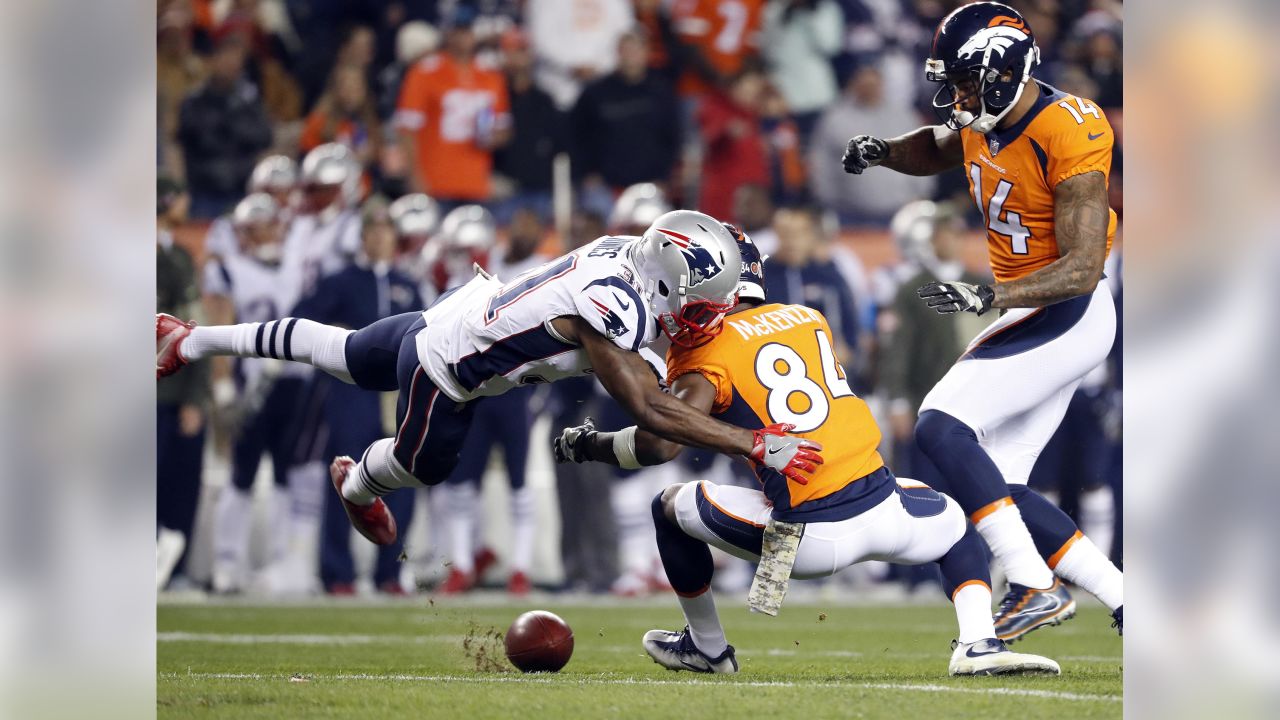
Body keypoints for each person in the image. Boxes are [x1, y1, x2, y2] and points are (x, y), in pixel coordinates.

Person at [157, 210, 822, 553]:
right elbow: (650, 409)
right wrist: (754, 444)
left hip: (457, 309)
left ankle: (190, 339)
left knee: (344, 352)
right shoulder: (616, 305)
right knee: (423, 465)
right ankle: (356, 480)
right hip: (448, 368)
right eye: (707, 299)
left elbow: (703, 268)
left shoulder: (634, 251)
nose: (714, 311)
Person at [552, 231, 1060, 676]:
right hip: (885, 508)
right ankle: (978, 641)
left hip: (804, 539)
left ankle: (707, 649)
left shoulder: (705, 350)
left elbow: (662, 441)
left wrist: (592, 444)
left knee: (668, 504)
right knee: (951, 518)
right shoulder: (807, 317)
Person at [841, 2, 1123, 640]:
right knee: (999, 484)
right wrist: (884, 152)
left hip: (1064, 306)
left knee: (941, 427)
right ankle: (1127, 599)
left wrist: (988, 297)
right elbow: (941, 146)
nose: (957, 95)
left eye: (967, 80)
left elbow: (1082, 267)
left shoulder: (1068, 125)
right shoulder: (983, 117)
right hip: (1038, 307)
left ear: (1004, 70)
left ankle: (1032, 584)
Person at [293, 197, 424, 596]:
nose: (380, 238)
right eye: (373, 231)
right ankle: (337, 572)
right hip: (351, 392)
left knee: (398, 476)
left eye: (387, 231)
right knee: (345, 476)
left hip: (396, 396)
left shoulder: (408, 285)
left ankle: (390, 571)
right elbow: (302, 318)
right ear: (363, 236)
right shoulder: (341, 281)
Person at [200, 193, 306, 594]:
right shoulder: (229, 272)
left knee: (285, 475)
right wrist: (224, 386)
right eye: (257, 226)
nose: (267, 232)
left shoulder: (294, 268)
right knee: (241, 473)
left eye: (270, 223)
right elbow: (218, 330)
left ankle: (279, 564)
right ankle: (228, 562)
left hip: (293, 381)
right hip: (252, 382)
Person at [394, 6, 512, 205]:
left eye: (466, 30)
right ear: (447, 33)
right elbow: (406, 130)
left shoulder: (491, 76)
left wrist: (491, 137)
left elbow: (503, 128)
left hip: (475, 183)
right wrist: (414, 176)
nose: (462, 37)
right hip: (434, 183)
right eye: (457, 30)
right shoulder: (425, 72)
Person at [156, 177, 208, 591]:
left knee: (178, 480)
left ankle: (172, 570)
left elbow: (194, 332)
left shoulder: (176, 259)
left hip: (171, 389)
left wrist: (194, 396)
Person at [810, 61, 935, 225]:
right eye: (864, 83)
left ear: (882, 84)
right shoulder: (835, 119)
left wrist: (922, 195)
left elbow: (924, 155)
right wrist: (828, 200)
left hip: (902, 211)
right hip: (849, 214)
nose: (870, 88)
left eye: (874, 83)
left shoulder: (904, 117)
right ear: (854, 84)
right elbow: (821, 163)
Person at [570, 29, 681, 198]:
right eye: (626, 50)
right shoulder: (596, 93)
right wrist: (587, 173)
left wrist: (664, 177)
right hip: (606, 187)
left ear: (647, 53)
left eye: (636, 50)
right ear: (618, 53)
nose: (631, 56)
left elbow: (673, 137)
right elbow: (577, 136)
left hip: (651, 186)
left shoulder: (661, 91)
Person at [177, 37, 273, 219]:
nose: (231, 66)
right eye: (226, 59)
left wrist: (234, 123)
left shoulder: (249, 100)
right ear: (213, 60)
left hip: (241, 189)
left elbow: (264, 136)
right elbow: (196, 138)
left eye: (236, 61)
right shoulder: (195, 100)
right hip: (205, 192)